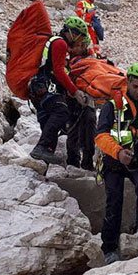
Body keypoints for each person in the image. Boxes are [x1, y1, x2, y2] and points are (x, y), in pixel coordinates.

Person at [94, 63, 138, 263]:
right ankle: (109, 248)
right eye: (135, 87)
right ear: (128, 82)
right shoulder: (111, 106)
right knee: (114, 201)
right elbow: (100, 136)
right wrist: (117, 152)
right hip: (114, 162)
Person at [28, 16, 92, 164]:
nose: (78, 41)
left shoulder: (53, 41)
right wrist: (75, 91)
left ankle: (45, 158)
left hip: (38, 87)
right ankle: (42, 148)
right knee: (61, 111)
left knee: (48, 121)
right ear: (72, 33)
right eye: (79, 37)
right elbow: (58, 71)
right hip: (45, 85)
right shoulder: (60, 43)